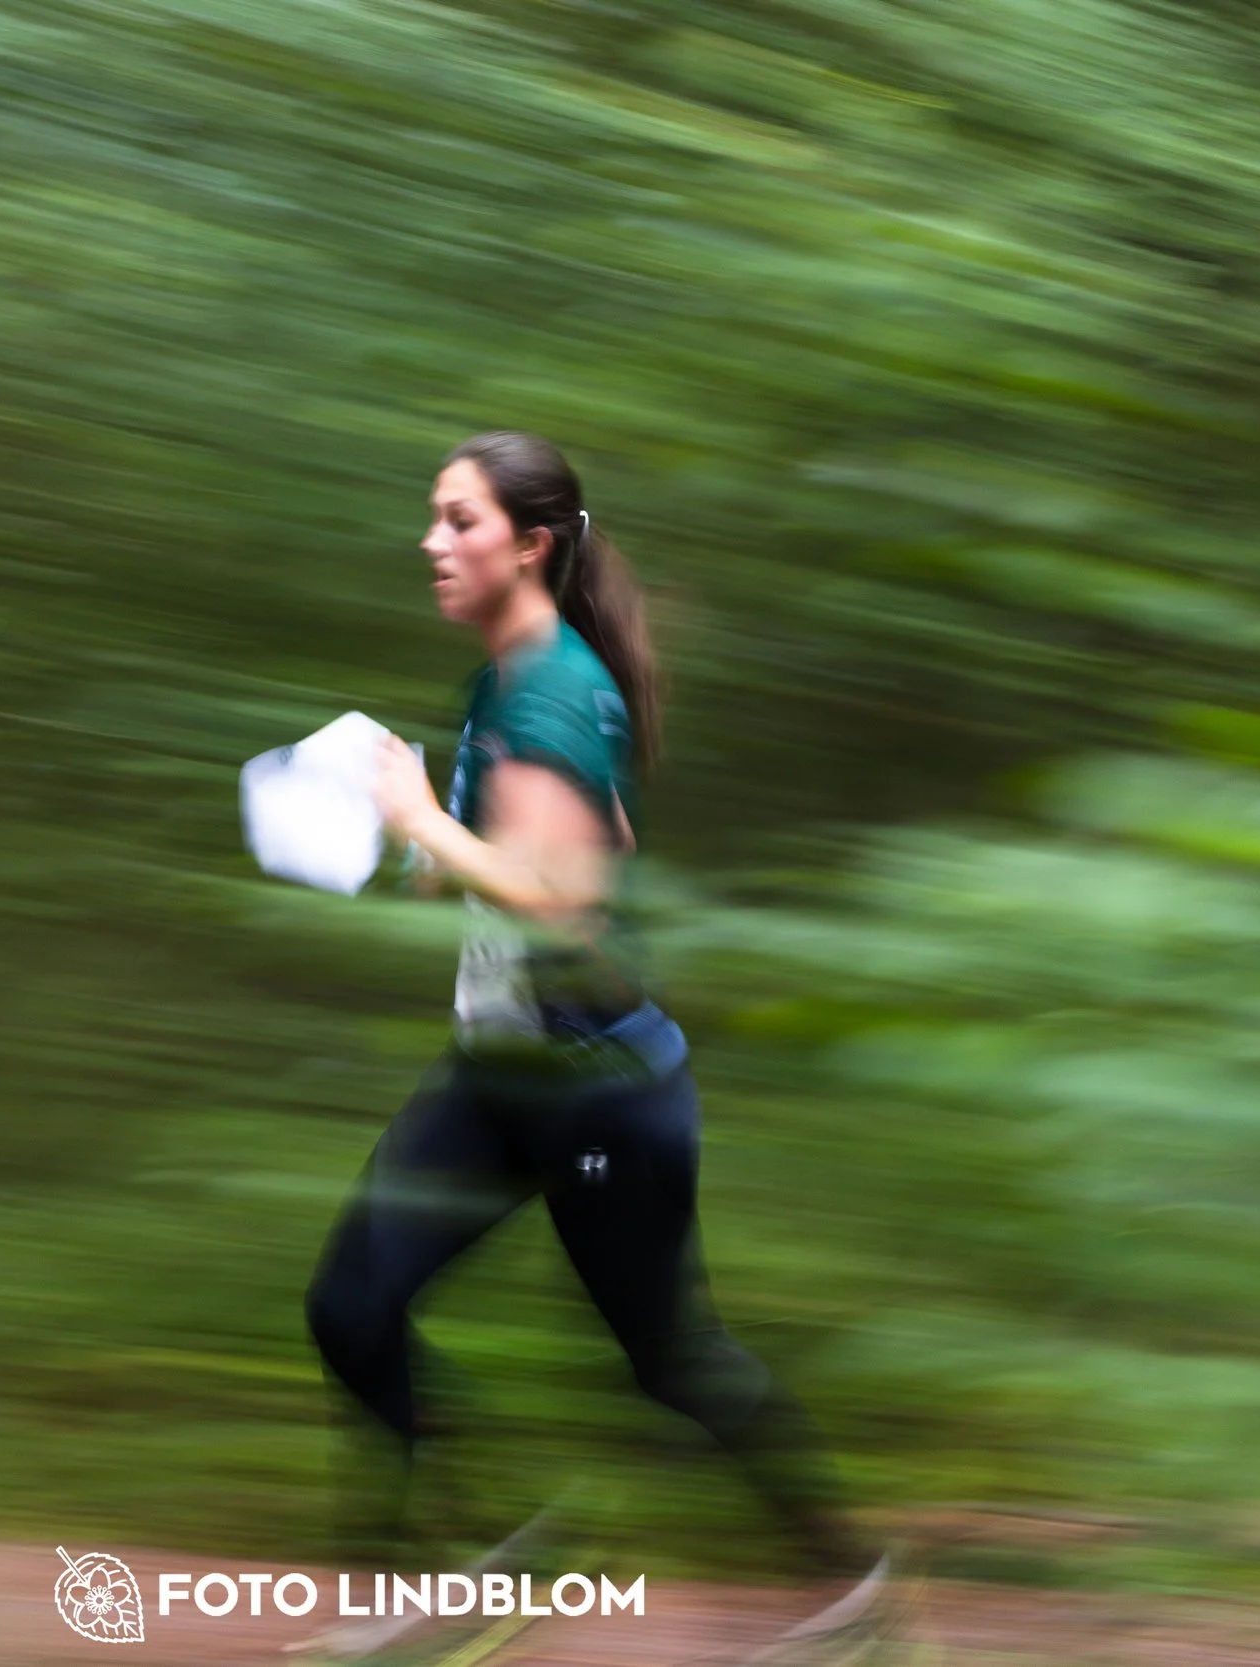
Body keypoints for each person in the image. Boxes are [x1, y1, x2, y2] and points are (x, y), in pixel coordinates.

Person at [300, 431, 896, 1659]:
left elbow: (562, 899)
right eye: (432, 515)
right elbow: (579, 845)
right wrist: (405, 833)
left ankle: (861, 1597)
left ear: (528, 544)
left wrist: (424, 820)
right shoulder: (506, 680)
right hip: (500, 1069)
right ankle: (466, 1576)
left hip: (595, 1095)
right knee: (351, 1306)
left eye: (458, 519)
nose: (431, 541)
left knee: (672, 1360)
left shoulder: (555, 689)